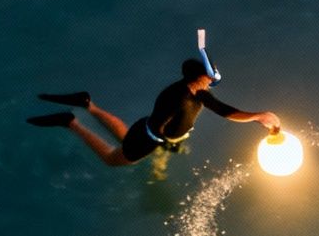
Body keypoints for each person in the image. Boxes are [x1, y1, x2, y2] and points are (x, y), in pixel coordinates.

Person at [28, 58, 282, 170]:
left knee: (125, 135)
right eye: (211, 76)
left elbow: (221, 108)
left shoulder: (196, 92)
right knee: (112, 158)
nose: (214, 79)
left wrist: (258, 116)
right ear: (200, 78)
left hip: (146, 130)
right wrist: (259, 115)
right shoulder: (180, 96)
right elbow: (225, 111)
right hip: (147, 139)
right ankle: (71, 122)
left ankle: (88, 104)